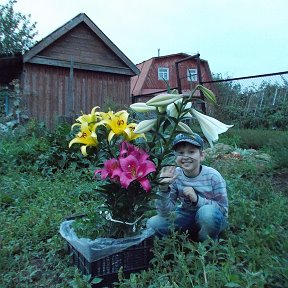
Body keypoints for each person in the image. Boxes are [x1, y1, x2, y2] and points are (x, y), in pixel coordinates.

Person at [147, 133, 228, 241]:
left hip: (213, 218)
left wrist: (197, 199)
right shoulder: (174, 175)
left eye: (191, 152)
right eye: (180, 153)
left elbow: (223, 209)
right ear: (175, 157)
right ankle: (193, 233)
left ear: (202, 155)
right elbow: (164, 212)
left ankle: (207, 248)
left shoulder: (213, 176)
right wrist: (163, 188)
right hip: (187, 216)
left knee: (207, 214)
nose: (185, 156)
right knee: (152, 223)